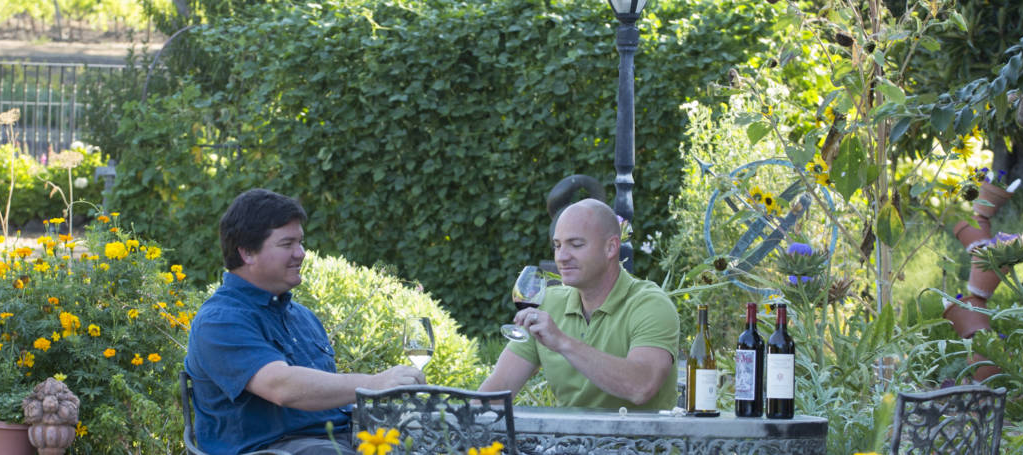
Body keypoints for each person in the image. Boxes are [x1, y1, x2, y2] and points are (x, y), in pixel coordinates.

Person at [185, 189, 426, 455]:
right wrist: (375, 383)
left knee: (442, 432)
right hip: (273, 449)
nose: (300, 253)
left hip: (341, 439)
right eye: (287, 244)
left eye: (300, 242)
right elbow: (281, 386)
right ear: (247, 252)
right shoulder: (219, 321)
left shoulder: (302, 317)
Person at [478, 199, 680, 410]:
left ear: (611, 247)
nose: (562, 257)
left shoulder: (650, 305)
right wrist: (459, 420)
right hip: (566, 433)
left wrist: (562, 342)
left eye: (576, 245)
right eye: (557, 245)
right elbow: (497, 390)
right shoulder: (547, 304)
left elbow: (641, 387)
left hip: (641, 433)